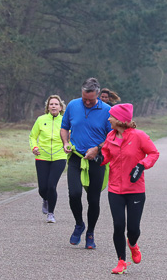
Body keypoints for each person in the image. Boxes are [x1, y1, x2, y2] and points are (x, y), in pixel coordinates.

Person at [101, 104, 159, 274]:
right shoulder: (110, 136)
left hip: (135, 189)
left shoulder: (139, 136)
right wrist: (98, 157)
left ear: (119, 119)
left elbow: (154, 153)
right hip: (115, 189)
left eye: (111, 116)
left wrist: (142, 165)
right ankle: (121, 261)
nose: (108, 119)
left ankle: (132, 244)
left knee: (133, 229)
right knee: (118, 225)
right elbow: (106, 155)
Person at [60, 78, 112, 249]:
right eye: (84, 99)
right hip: (76, 157)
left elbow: (112, 137)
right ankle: (79, 224)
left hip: (96, 159)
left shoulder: (107, 111)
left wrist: (97, 149)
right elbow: (64, 127)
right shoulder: (73, 106)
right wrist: (66, 142)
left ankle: (90, 232)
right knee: (74, 194)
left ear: (98, 95)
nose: (87, 102)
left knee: (93, 199)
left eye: (90, 99)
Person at [29, 95, 67, 223]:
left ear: (60, 107)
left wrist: (69, 146)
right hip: (42, 156)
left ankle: (51, 213)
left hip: (59, 156)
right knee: (42, 189)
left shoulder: (65, 121)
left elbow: (72, 138)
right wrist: (34, 147)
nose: (54, 106)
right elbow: (32, 137)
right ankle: (45, 199)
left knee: (52, 186)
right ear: (48, 107)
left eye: (56, 104)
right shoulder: (41, 120)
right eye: (51, 104)